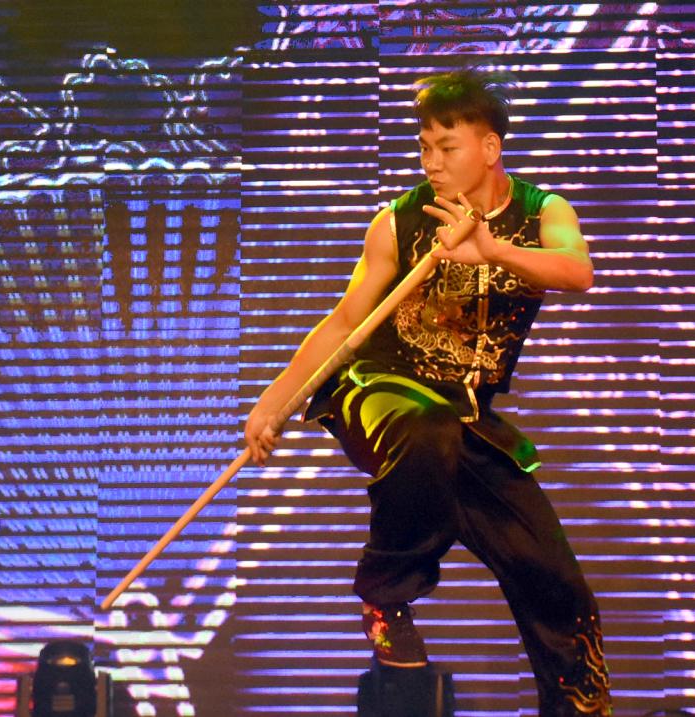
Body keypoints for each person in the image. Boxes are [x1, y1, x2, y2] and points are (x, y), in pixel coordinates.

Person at [244, 69, 612, 716]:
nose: (431, 163)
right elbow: (345, 322)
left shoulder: (541, 211)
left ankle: (578, 706)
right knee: (424, 427)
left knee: (553, 578)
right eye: (424, 148)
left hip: (466, 418)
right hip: (381, 388)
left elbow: (576, 270)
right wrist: (273, 402)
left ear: (490, 148)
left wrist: (490, 250)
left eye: (447, 147)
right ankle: (386, 593)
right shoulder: (398, 221)